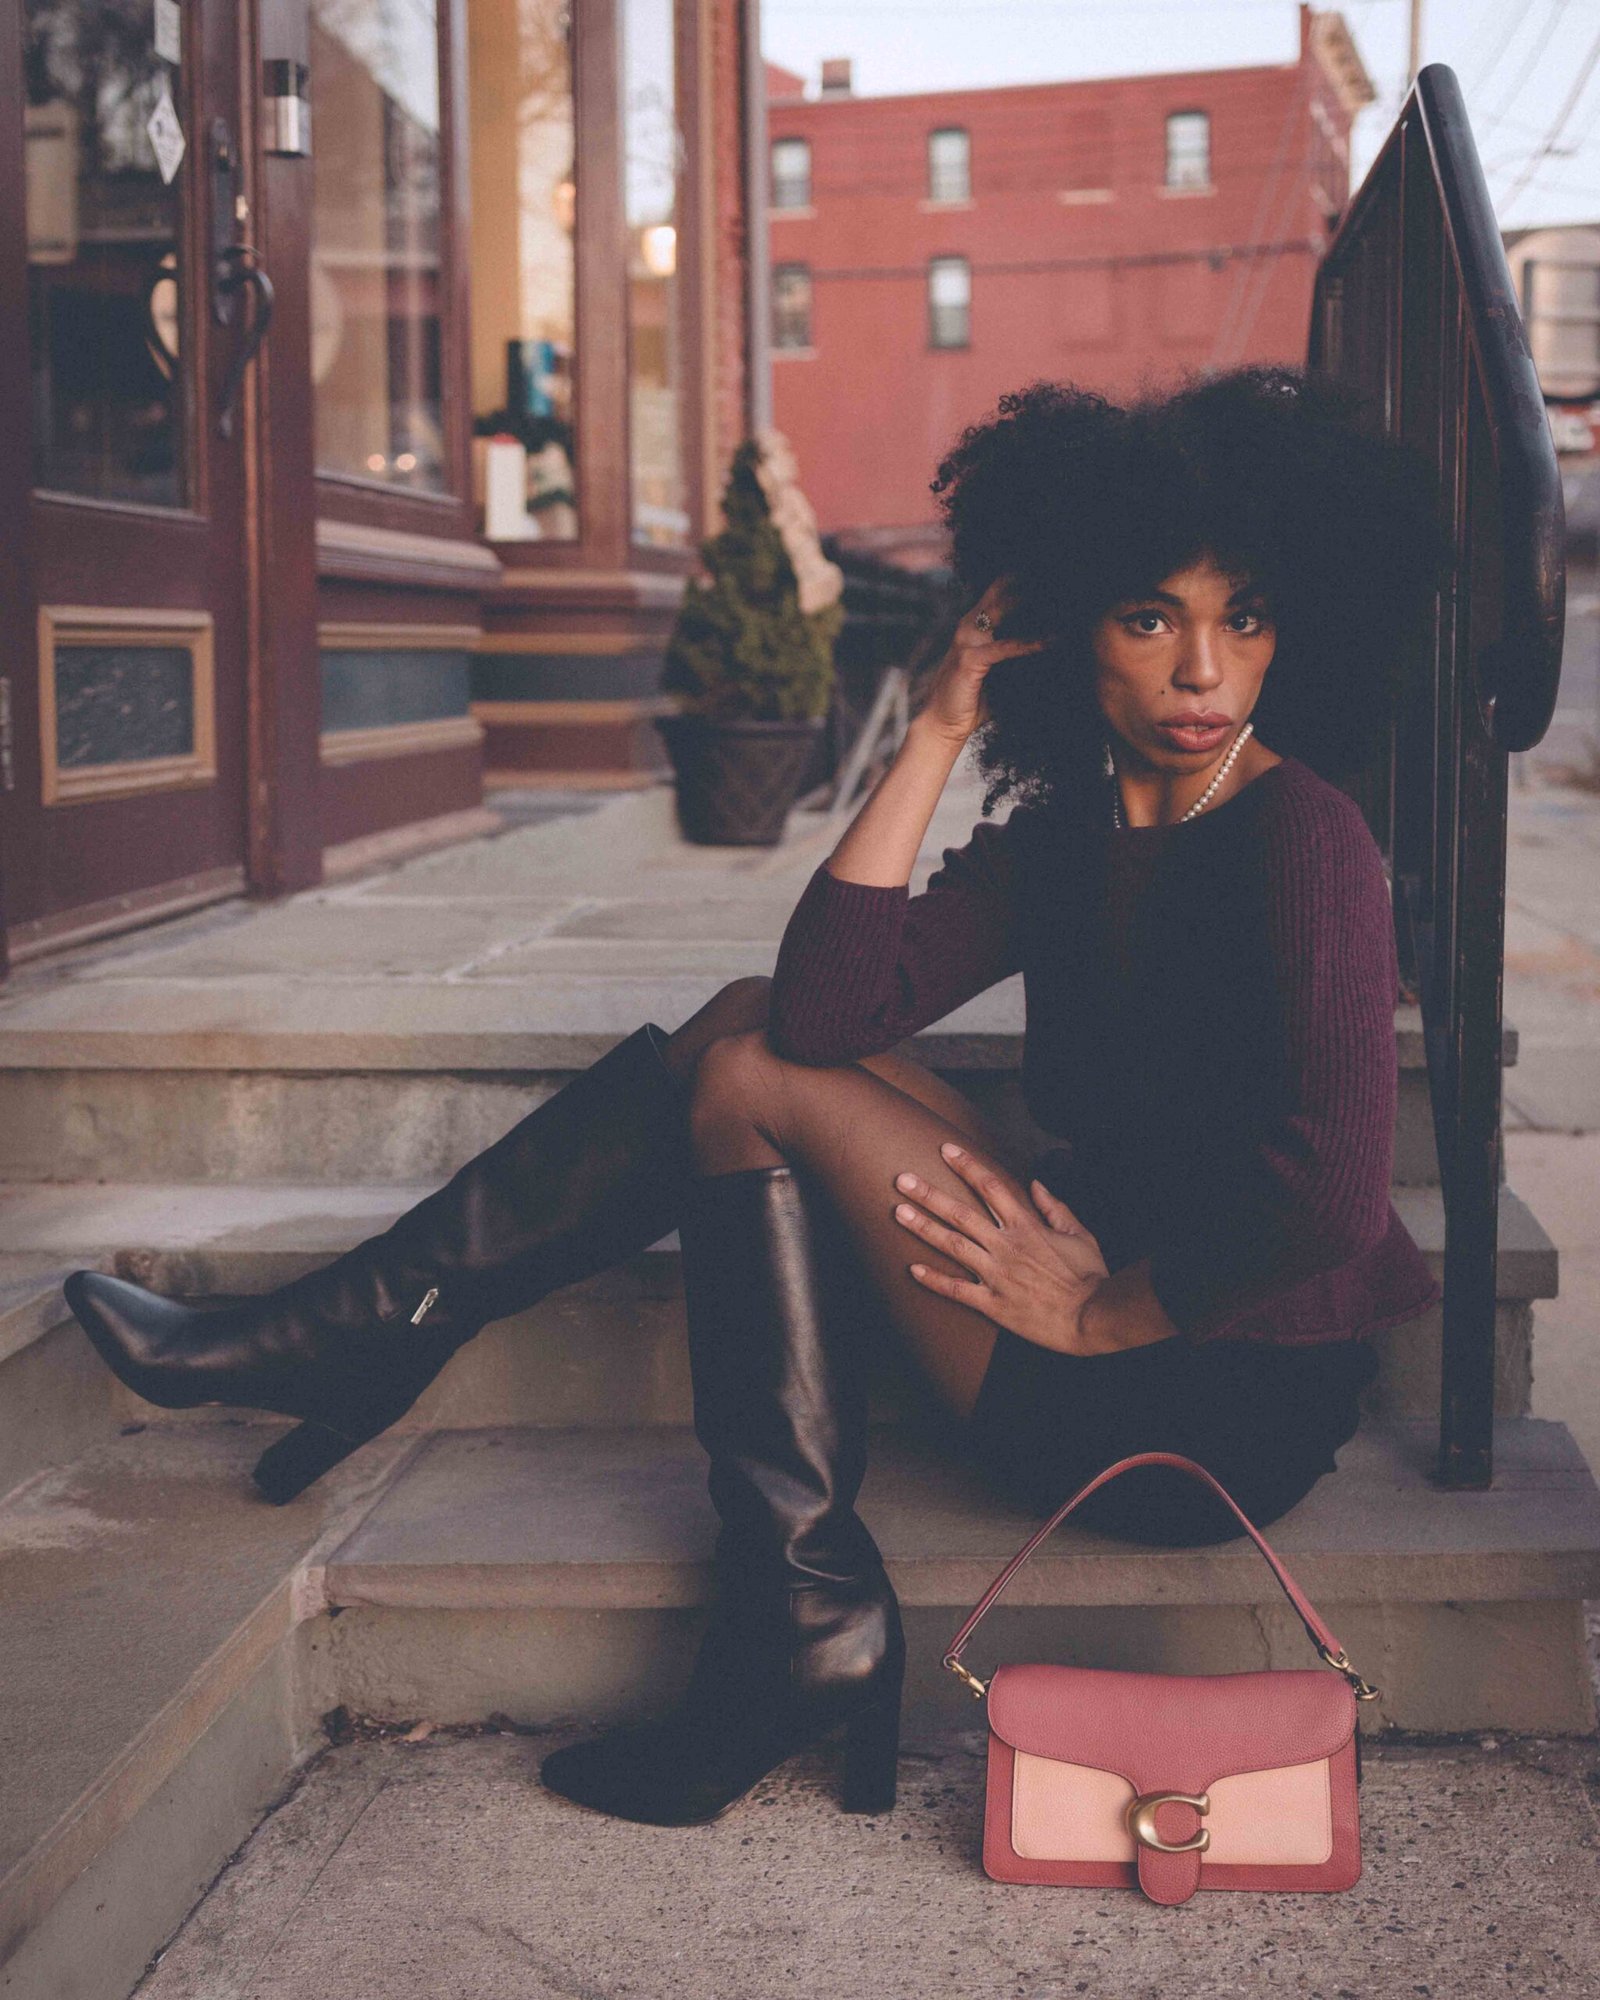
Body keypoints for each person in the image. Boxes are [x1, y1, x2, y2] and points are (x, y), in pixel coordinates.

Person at [61, 362, 1448, 1832]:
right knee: (747, 1033)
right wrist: (934, 732)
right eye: (1150, 615)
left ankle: (400, 1359)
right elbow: (830, 1011)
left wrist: (1107, 1313)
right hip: (1082, 1263)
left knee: (741, 1073)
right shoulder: (1072, 834)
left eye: (1246, 617)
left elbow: (1333, 1193)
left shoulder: (1307, 836)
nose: (1202, 673)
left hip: (1201, 1386)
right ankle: (489, 1408)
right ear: (1066, 629)